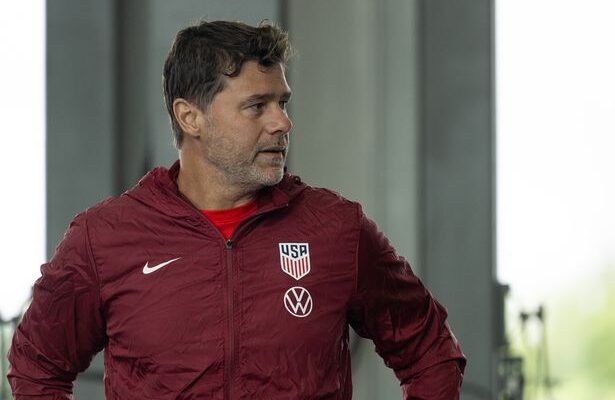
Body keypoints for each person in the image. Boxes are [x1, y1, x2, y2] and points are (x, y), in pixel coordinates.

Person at [8, 20, 466, 399]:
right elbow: (37, 367)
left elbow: (430, 351)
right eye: (257, 106)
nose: (282, 122)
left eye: (282, 102)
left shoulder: (337, 229)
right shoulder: (104, 238)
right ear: (190, 117)